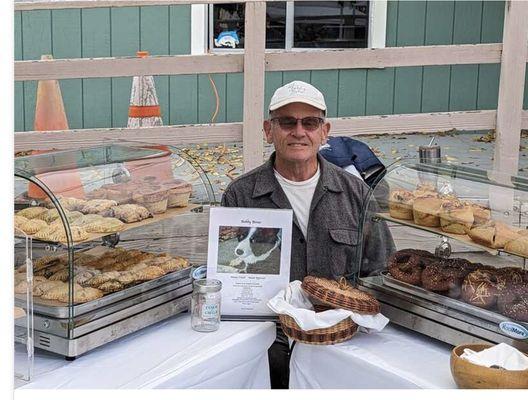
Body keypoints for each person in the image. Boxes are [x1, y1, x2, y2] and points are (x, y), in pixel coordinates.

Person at [221, 80, 393, 389]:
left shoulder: (356, 194)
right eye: (287, 122)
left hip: (340, 347)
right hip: (267, 346)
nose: (298, 131)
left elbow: (382, 268)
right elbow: (230, 277)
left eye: (310, 122)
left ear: (324, 131)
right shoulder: (240, 195)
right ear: (268, 130)